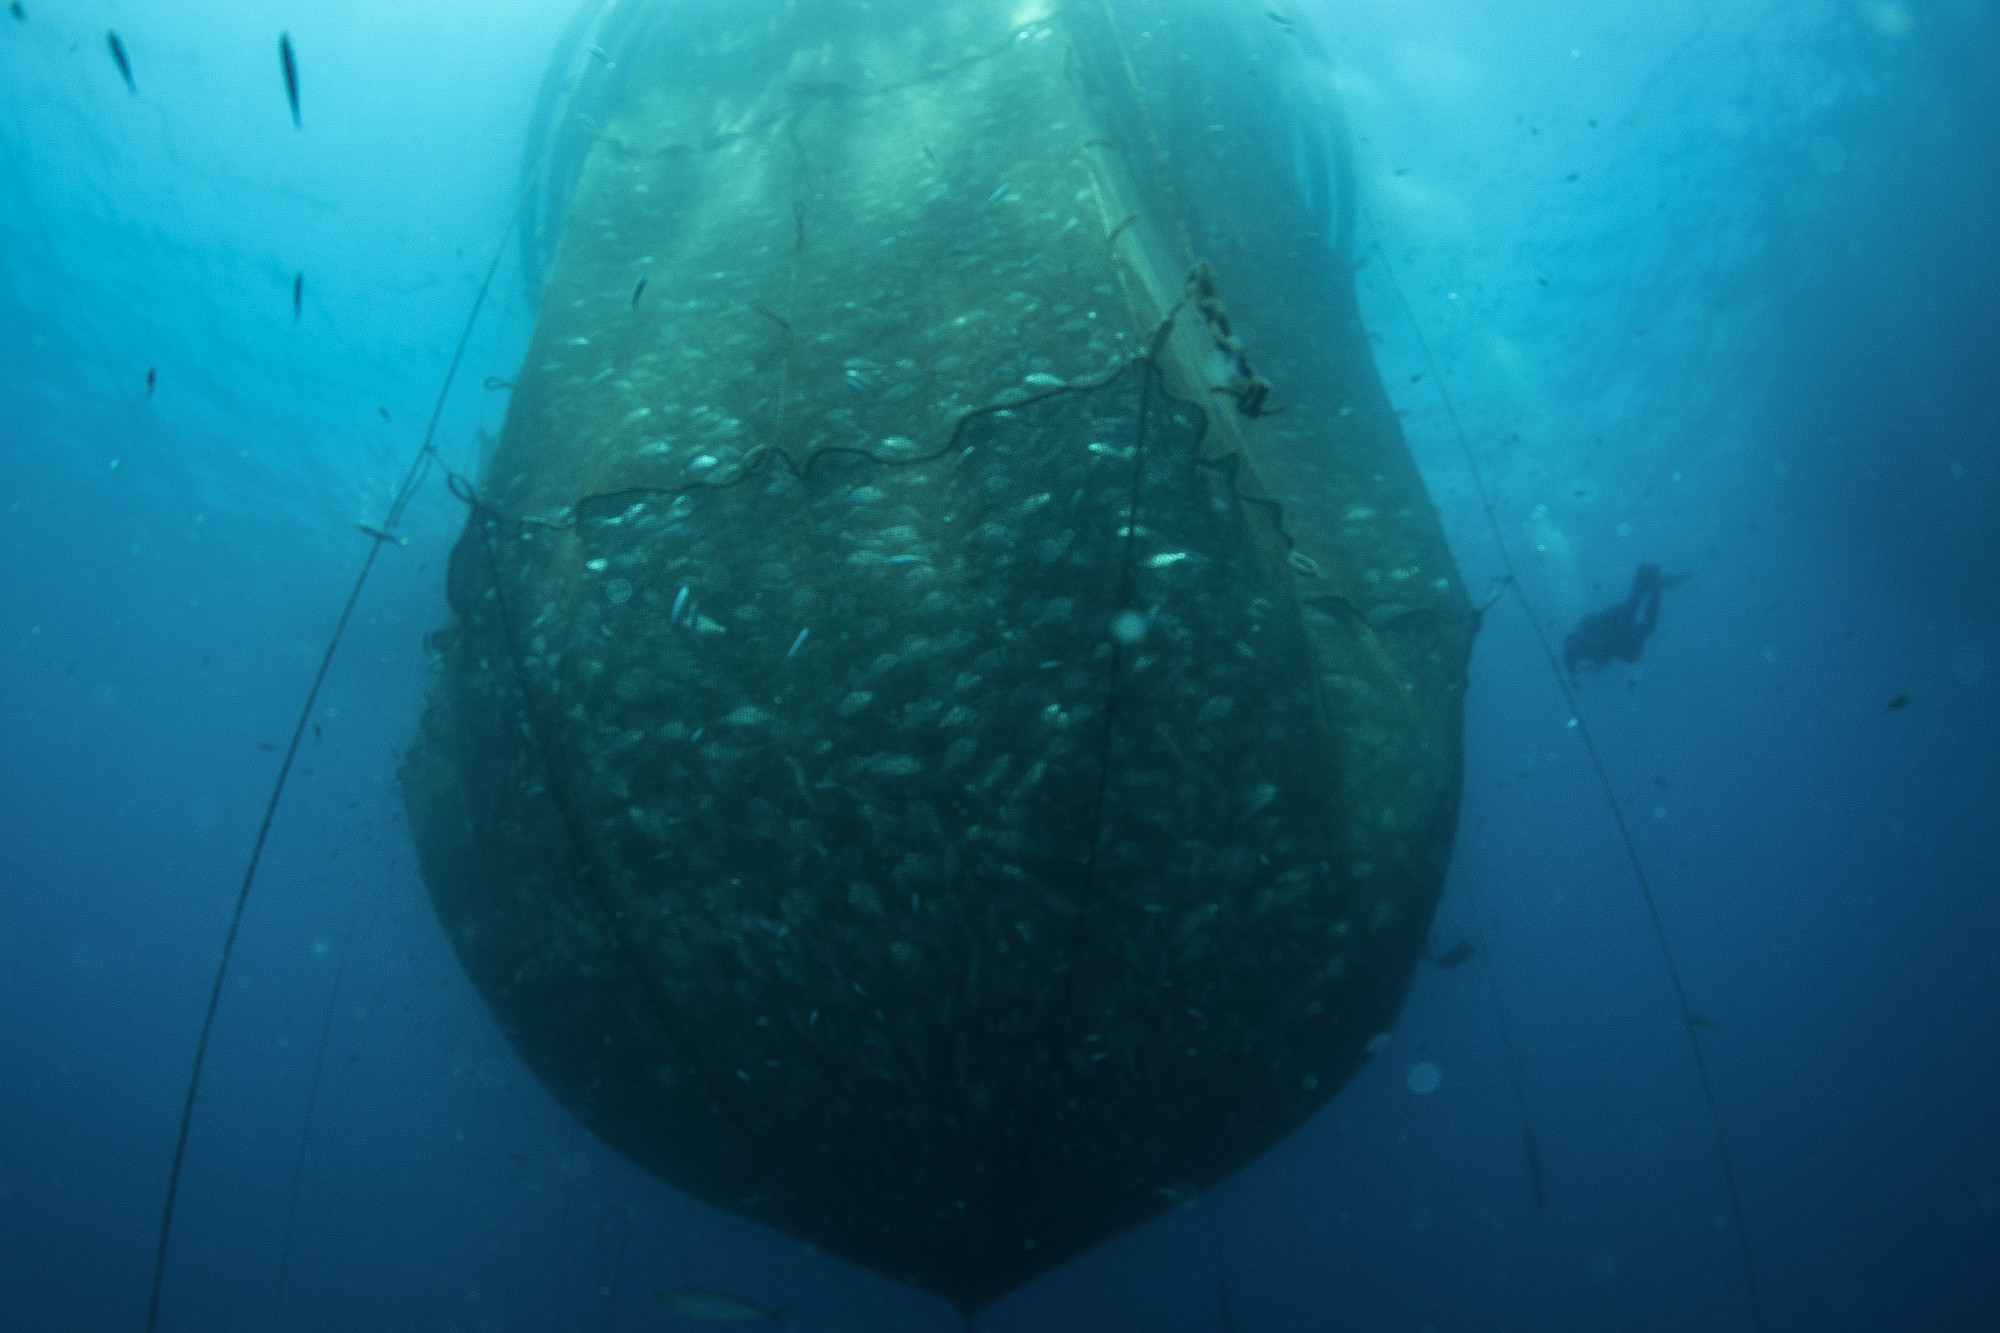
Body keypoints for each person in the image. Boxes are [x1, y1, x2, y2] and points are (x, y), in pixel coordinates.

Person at [1563, 564, 1688, 679]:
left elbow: (1593, 641)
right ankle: (1654, 583)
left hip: (1613, 624)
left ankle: (1650, 579)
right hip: (1617, 631)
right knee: (1641, 620)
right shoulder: (1589, 653)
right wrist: (1593, 666)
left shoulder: (1580, 645)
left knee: (1634, 611)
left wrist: (1587, 665)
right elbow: (1605, 655)